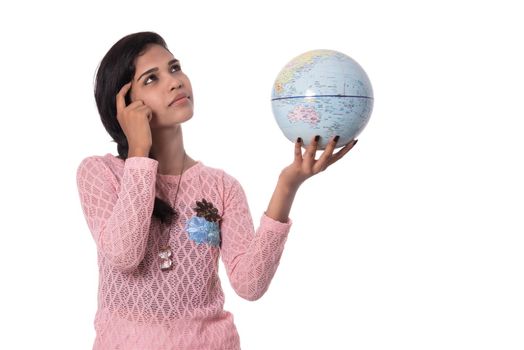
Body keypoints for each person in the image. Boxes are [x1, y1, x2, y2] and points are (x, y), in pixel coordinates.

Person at [76, 31, 358, 350]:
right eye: (151, 79)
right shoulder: (100, 173)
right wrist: (139, 150)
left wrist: (288, 185)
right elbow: (124, 255)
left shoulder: (221, 186)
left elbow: (250, 285)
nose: (174, 81)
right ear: (125, 105)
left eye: (174, 67)